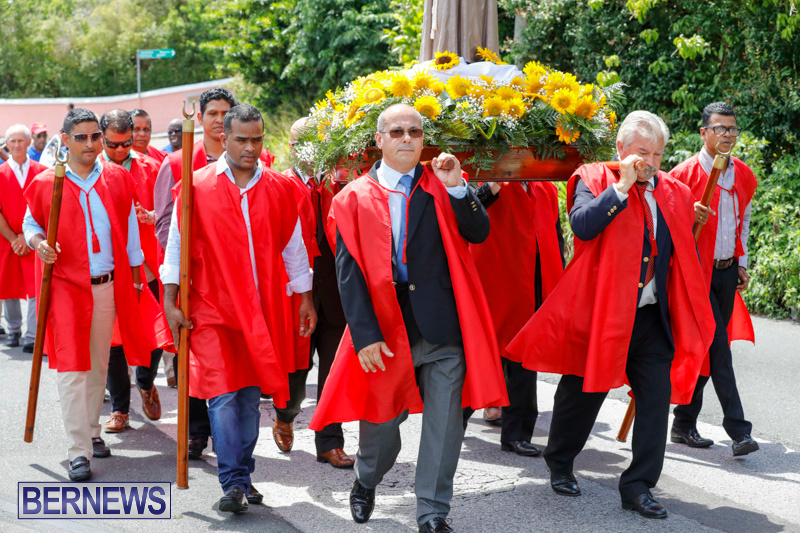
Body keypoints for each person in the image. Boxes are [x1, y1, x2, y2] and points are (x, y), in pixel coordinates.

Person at [309, 103, 508, 533]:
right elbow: (349, 273)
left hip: (442, 326)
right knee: (382, 426)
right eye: (397, 131)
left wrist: (459, 190)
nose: (406, 138)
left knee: (445, 426)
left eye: (414, 132)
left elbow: (478, 233)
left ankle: (432, 512)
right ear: (379, 140)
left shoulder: (442, 184)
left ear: (423, 140)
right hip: (385, 326)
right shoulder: (352, 197)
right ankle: (366, 478)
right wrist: (364, 335)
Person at [507, 110, 716, 519]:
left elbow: (679, 254)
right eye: (642, 152)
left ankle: (638, 486)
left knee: (655, 401)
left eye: (658, 154)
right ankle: (560, 461)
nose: (650, 162)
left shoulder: (673, 191)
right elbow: (582, 226)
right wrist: (621, 188)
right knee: (583, 394)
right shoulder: (593, 176)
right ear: (621, 148)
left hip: (651, 317)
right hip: (602, 313)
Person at [161, 104, 316, 513]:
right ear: (223, 137)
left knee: (248, 397)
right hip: (212, 308)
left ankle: (243, 477)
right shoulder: (196, 186)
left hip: (262, 310)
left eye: (257, 139)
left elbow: (294, 249)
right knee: (222, 394)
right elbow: (176, 246)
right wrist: (170, 300)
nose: (250, 147)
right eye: (242, 139)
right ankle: (232, 481)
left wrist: (305, 299)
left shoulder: (281, 187)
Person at [22, 108, 157, 481]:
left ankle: (93, 431)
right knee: (72, 368)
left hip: (108, 285)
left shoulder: (117, 177)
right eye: (80, 137)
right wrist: (38, 242)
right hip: (66, 286)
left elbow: (130, 232)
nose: (90, 143)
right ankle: (78, 451)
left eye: (95, 136)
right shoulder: (48, 180)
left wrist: (136, 279)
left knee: (98, 365)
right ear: (65, 140)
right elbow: (30, 221)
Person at [152, 87, 244, 460]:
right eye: (213, 114)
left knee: (230, 357)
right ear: (200, 118)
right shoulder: (176, 163)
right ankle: (196, 431)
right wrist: (184, 268)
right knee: (191, 352)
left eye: (226, 113)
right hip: (192, 277)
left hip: (234, 279)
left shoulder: (248, 157)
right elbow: (163, 223)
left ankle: (229, 437)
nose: (219, 120)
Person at [669, 102, 759, 456]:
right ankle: (739, 430)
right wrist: (685, 214)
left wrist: (741, 262)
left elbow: (744, 220)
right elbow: (663, 225)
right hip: (695, 274)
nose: (727, 135)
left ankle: (683, 423)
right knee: (719, 346)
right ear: (703, 132)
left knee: (708, 346)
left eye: (732, 129)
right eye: (720, 128)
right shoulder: (682, 175)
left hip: (726, 271)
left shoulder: (744, 175)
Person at [271, 118, 353, 468]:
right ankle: (285, 416)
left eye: (318, 142)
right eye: (302, 143)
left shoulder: (341, 183)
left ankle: (330, 443)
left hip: (335, 294)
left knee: (333, 374)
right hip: (295, 296)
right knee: (296, 377)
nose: (311, 150)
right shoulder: (280, 185)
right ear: (292, 148)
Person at [465, 179, 565, 455]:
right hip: (494, 279)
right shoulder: (487, 177)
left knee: (524, 358)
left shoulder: (545, 187)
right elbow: (465, 216)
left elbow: (555, 239)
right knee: (482, 356)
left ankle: (517, 434)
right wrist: (490, 187)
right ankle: (451, 426)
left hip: (534, 280)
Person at [97, 109, 165, 431]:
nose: (121, 150)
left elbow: (170, 212)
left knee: (156, 330)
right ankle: (120, 409)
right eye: (113, 144)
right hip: (110, 266)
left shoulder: (152, 168)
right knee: (114, 342)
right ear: (102, 138)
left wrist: (153, 215)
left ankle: (146, 381)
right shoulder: (90, 172)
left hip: (148, 265)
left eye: (126, 143)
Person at [0, 124, 47, 352]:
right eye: (13, 141)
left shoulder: (42, 171)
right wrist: (13, 238)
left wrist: (28, 236)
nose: (17, 145)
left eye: (21, 140)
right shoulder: (0, 173)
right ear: (6, 144)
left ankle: (33, 335)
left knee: (37, 286)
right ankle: (13, 329)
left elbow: (46, 207)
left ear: (29, 142)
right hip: (6, 239)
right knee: (8, 285)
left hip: (35, 238)